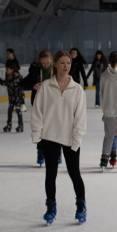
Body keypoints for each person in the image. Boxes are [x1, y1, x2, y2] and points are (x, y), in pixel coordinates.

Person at [32, 51, 87, 223]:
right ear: (54, 64)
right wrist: (37, 134)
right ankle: (51, 207)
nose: (66, 66)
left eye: (68, 63)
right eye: (62, 63)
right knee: (51, 174)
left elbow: (80, 117)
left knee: (74, 173)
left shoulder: (77, 90)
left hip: (70, 137)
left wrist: (77, 138)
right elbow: (37, 112)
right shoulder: (46, 87)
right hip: (49, 137)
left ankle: (81, 205)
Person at [24, 50, 56, 164]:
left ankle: (57, 154)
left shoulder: (57, 69)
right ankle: (41, 152)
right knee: (40, 129)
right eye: (43, 63)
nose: (46, 65)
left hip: (55, 104)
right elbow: (23, 84)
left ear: (51, 60)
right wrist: (33, 86)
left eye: (48, 62)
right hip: (40, 103)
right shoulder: (35, 70)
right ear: (39, 62)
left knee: (55, 129)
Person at [3, 59, 26, 134]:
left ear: (12, 69)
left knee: (18, 110)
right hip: (12, 97)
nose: (6, 71)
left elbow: (17, 88)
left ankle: (20, 125)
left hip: (18, 97)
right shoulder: (9, 76)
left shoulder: (16, 76)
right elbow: (4, 83)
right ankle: (9, 125)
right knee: (10, 110)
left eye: (7, 69)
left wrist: (20, 99)